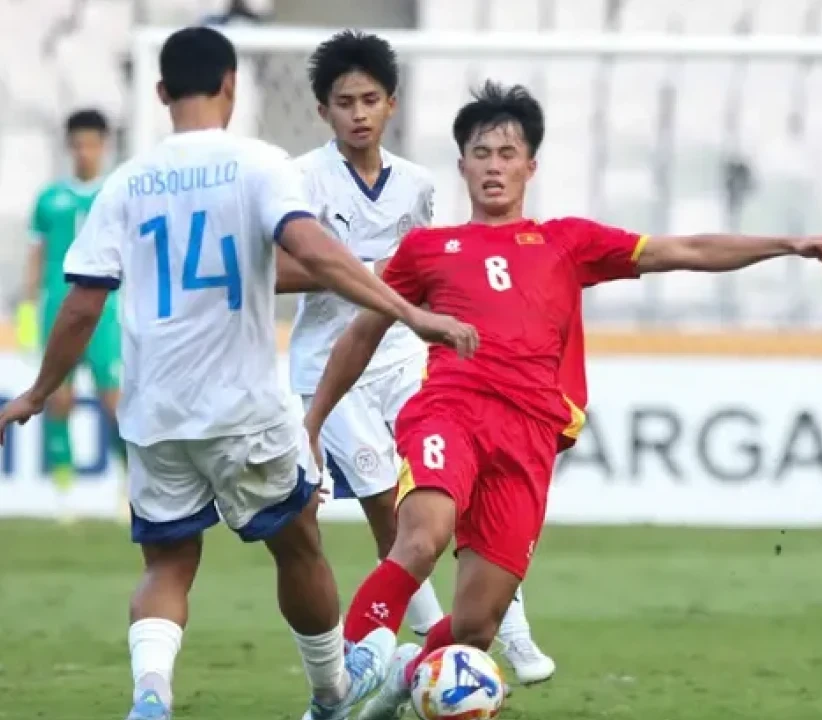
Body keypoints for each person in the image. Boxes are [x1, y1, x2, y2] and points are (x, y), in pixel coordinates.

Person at [300, 81, 822, 720]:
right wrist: (313, 422)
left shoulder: (567, 242)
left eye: (508, 154)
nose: (494, 166)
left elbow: (684, 250)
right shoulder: (426, 249)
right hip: (450, 410)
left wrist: (787, 244)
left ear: (530, 167)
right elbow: (361, 334)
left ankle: (401, 675)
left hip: (529, 437)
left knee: (475, 628)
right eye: (481, 154)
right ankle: (343, 679)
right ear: (462, 166)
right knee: (422, 537)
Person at [0, 26, 477, 720]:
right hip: (242, 407)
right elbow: (314, 249)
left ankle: (151, 694)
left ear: (161, 92)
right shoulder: (258, 163)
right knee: (299, 543)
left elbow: (81, 304)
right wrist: (409, 310)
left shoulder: (126, 182)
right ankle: (331, 690)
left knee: (167, 563)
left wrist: (39, 392)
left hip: (155, 410)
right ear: (231, 84)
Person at [280, 30, 555, 683]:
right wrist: (362, 274)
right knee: (385, 497)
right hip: (330, 362)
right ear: (323, 110)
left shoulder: (417, 185)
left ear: (391, 104)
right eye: (344, 102)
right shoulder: (300, 179)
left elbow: (432, 269)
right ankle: (426, 647)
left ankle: (509, 631)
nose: (359, 114)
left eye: (370, 100)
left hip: (406, 356)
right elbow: (271, 272)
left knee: (452, 490)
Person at [18, 108, 126, 520]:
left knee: (114, 402)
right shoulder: (49, 199)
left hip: (106, 313)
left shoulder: (115, 193)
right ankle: (64, 495)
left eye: (91, 145)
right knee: (57, 399)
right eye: (78, 145)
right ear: (69, 147)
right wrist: (27, 310)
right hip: (56, 310)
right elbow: (35, 255)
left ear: (104, 146)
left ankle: (126, 483)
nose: (85, 153)